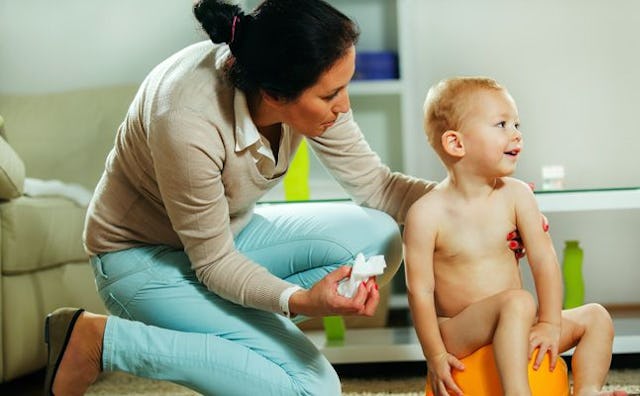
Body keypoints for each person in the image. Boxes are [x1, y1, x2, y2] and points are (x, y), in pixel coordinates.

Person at [43, 2, 527, 395]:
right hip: (143, 261)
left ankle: (233, 335)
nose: (344, 106)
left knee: (379, 237)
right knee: (311, 391)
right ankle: (101, 341)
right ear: (274, 94)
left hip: (230, 236)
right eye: (331, 94)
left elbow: (377, 187)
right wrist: (298, 299)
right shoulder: (186, 121)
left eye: (346, 87)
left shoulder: (297, 81)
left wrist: (486, 207)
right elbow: (213, 265)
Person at [403, 76, 627, 396]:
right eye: (502, 124)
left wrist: (549, 323)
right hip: (460, 331)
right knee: (518, 300)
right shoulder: (426, 214)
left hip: (518, 324)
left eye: (517, 124)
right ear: (456, 143)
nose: (517, 135)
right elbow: (420, 292)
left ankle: (587, 391)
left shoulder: (518, 195)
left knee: (596, 317)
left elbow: (543, 260)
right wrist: (436, 355)